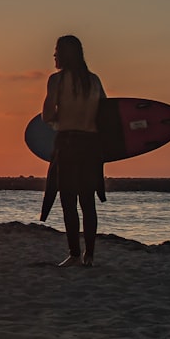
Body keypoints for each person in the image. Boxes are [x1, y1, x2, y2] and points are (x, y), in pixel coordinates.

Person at [41, 35, 107, 267]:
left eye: (57, 51)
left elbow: (47, 115)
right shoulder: (94, 81)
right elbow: (105, 113)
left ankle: (74, 254)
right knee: (87, 201)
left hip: (68, 142)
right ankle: (90, 256)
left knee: (68, 200)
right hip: (91, 144)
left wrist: (60, 117)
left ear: (65, 54)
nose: (54, 55)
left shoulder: (56, 81)